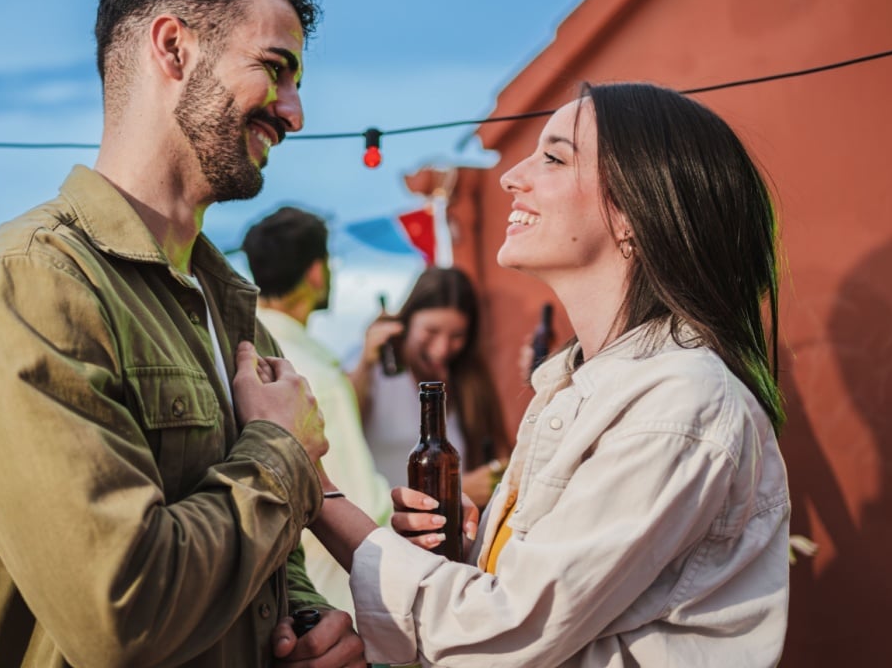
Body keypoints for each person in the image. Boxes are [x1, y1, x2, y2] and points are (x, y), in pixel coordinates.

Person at [0, 0, 365, 666]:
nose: (294, 113)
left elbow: (259, 550)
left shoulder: (224, 301)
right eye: (275, 69)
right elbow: (121, 613)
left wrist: (308, 621)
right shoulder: (28, 288)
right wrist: (283, 451)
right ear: (174, 49)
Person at [308, 82, 791, 666]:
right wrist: (467, 555)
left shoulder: (679, 402)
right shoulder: (577, 383)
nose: (512, 175)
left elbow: (501, 632)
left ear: (633, 213)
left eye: (554, 157)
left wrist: (314, 486)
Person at [241, 206, 394, 614]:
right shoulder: (313, 376)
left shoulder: (246, 353)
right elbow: (361, 501)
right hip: (337, 597)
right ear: (315, 272)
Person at [349, 267, 511, 508]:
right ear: (405, 322)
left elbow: (501, 453)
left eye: (457, 336)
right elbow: (339, 428)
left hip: (450, 528)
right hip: (384, 527)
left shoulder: (470, 379)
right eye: (431, 331)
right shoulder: (374, 370)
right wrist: (364, 364)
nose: (442, 349)